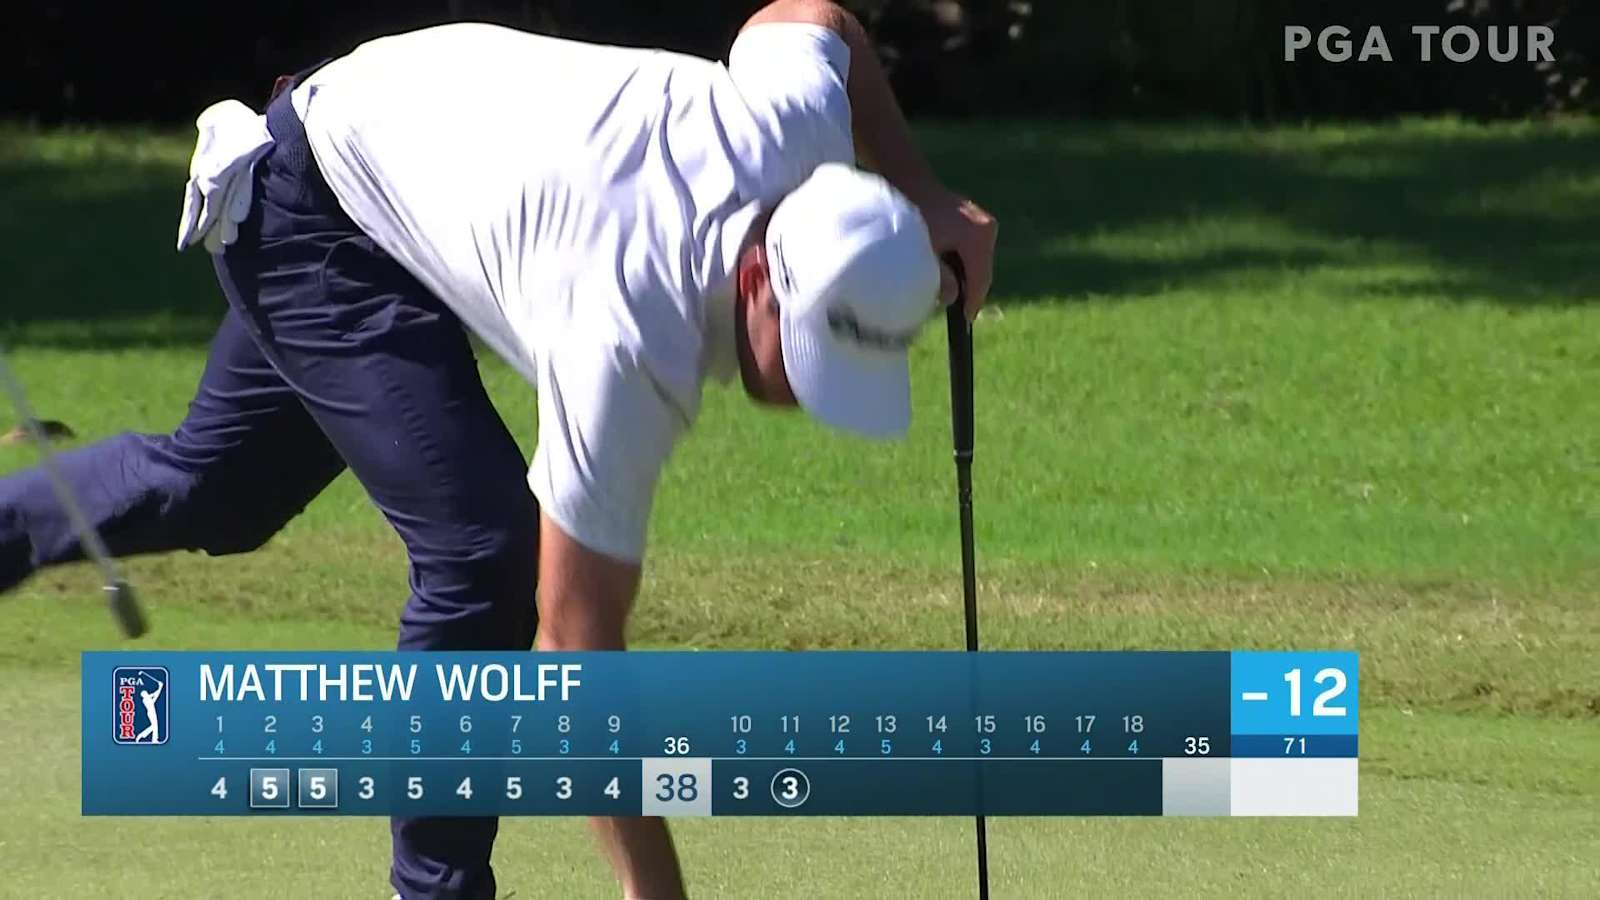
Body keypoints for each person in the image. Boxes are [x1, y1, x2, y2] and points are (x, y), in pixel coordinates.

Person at [0, 0, 997, 896]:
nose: (805, 393)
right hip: (326, 207)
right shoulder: (626, 334)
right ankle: (433, 890)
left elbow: (815, 17)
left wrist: (919, 187)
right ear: (754, 284)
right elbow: (578, 652)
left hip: (412, 171)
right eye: (810, 354)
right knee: (482, 554)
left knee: (214, 488)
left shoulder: (799, 137)